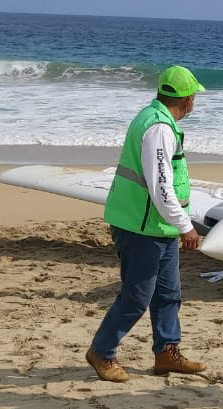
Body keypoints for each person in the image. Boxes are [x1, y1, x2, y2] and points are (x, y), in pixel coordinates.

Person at [84, 65, 208, 383]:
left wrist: (175, 225)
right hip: (140, 228)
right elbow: (161, 187)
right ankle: (102, 351)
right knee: (137, 296)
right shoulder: (158, 129)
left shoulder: (156, 119)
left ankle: (167, 353)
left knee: (168, 293)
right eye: (194, 96)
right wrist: (185, 226)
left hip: (156, 226)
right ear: (188, 99)